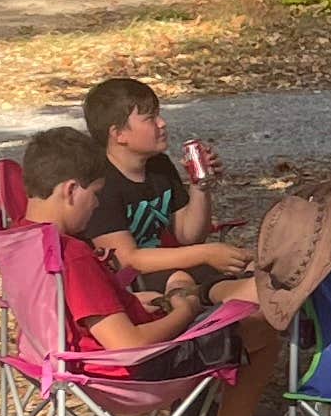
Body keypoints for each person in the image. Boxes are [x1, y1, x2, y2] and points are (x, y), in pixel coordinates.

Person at [21, 125, 284, 416]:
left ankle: (202, 411)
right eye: (95, 194)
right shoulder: (72, 254)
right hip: (124, 374)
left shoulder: (22, 238)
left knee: (194, 295)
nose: (97, 203)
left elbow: (67, 307)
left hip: (59, 359)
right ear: (71, 190)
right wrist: (184, 312)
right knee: (261, 326)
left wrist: (130, 302)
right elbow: (127, 345)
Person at [82, 76, 248, 285]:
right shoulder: (100, 184)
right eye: (150, 118)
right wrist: (206, 253)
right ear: (119, 134)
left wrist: (200, 186)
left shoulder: (159, 165)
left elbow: (189, 236)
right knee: (183, 280)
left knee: (250, 265)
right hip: (123, 282)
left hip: (163, 266)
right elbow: (127, 259)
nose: (162, 123)